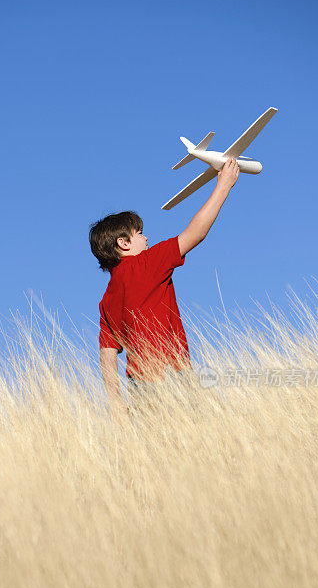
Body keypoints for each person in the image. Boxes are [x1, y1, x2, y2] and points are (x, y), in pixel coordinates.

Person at [89, 158, 240, 421]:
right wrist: (223, 186)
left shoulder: (107, 299)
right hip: (172, 374)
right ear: (123, 243)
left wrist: (115, 401)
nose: (146, 238)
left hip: (138, 384)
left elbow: (107, 352)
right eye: (139, 233)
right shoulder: (147, 263)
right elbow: (196, 233)